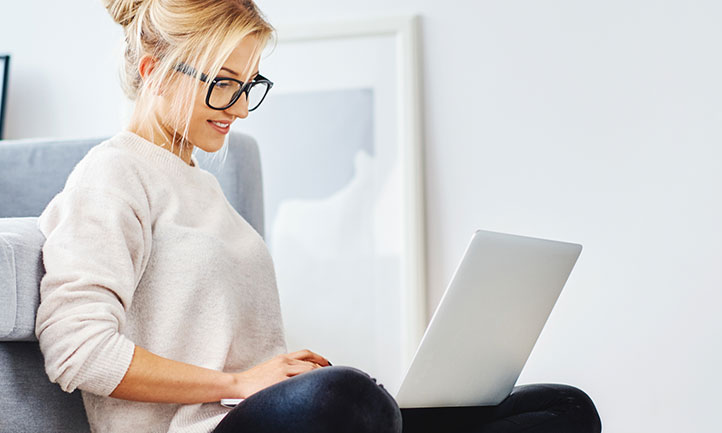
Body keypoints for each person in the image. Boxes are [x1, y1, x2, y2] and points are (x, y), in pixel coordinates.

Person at [34, 0, 603, 431]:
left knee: (560, 410)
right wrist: (238, 383)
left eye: (247, 85)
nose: (237, 108)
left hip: (271, 414)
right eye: (222, 85)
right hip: (201, 428)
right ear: (156, 71)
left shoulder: (203, 187)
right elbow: (75, 349)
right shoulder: (111, 174)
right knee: (346, 400)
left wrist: (280, 374)